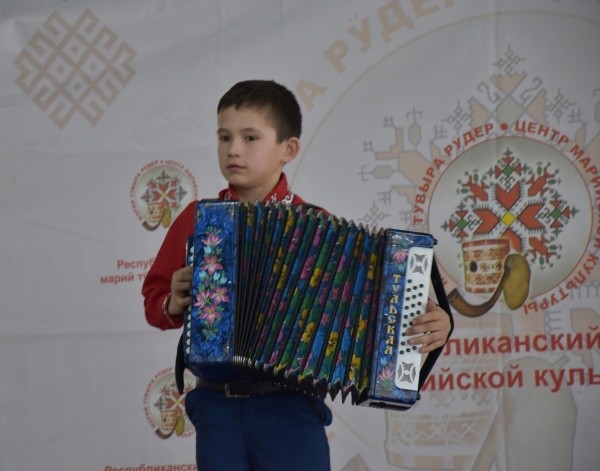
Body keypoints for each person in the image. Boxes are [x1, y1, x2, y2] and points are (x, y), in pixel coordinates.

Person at [142, 80, 452, 470]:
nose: (233, 149)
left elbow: (381, 310)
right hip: (217, 407)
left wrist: (435, 324)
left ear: (287, 150)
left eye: (250, 137)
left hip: (291, 408)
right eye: (224, 137)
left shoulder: (320, 228)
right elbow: (155, 301)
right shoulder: (198, 220)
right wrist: (172, 303)